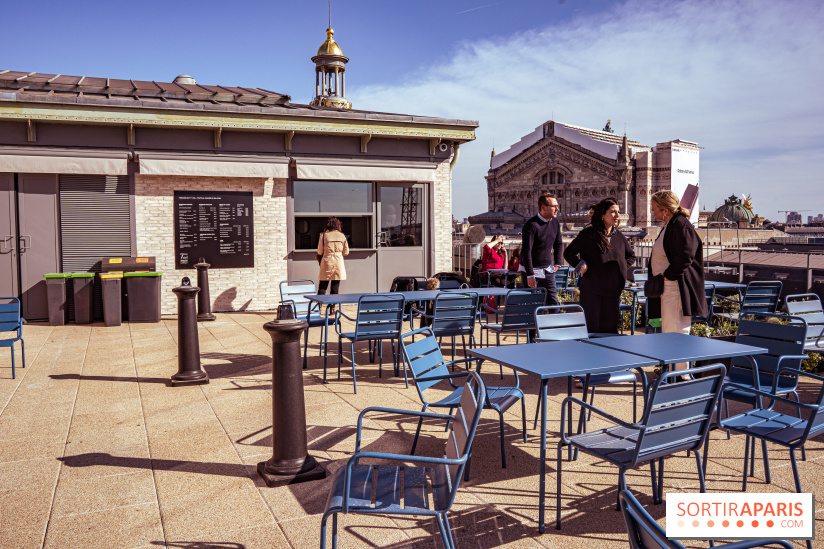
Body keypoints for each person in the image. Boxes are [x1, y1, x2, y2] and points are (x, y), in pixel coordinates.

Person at [649, 190, 706, 374]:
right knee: (670, 330)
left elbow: (686, 254)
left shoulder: (680, 225)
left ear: (665, 210)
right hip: (669, 287)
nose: (653, 212)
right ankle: (673, 371)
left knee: (677, 330)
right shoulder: (670, 225)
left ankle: (681, 375)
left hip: (675, 287)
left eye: (655, 208)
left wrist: (669, 275)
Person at [563, 198, 636, 333]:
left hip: (612, 292)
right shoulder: (589, 234)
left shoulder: (619, 236)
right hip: (592, 291)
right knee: (593, 330)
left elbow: (631, 256)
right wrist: (580, 264)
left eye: (618, 212)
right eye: (612, 212)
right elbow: (568, 253)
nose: (617, 215)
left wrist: (620, 267)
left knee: (609, 331)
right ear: (603, 214)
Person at [521, 192, 563, 305]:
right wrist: (530, 275)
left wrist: (558, 262)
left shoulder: (555, 222)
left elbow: (558, 243)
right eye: (554, 206)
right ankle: (533, 323)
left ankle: (553, 322)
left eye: (557, 206)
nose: (557, 209)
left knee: (553, 301)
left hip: (547, 269)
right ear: (543, 207)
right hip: (531, 270)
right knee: (532, 303)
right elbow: (526, 251)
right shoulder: (531, 225)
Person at [317, 216, 349, 298]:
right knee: (335, 286)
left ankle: (319, 306)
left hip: (327, 261)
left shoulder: (324, 235)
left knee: (323, 286)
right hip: (338, 262)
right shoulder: (342, 236)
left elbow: (320, 251)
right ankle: (332, 307)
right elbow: (346, 252)